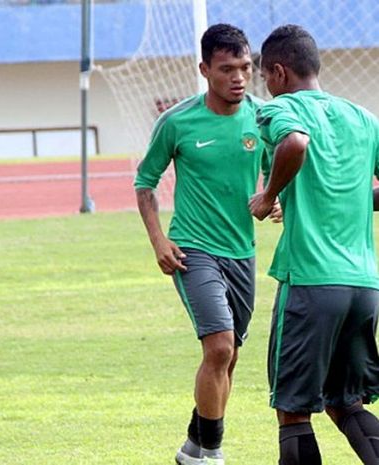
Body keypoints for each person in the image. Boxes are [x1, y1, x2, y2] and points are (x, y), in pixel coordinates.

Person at [135, 24, 279, 465]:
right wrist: (158, 240)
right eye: (226, 68)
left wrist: (278, 201)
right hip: (192, 249)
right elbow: (145, 182)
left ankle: (194, 445)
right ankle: (211, 455)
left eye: (245, 67)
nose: (238, 77)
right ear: (204, 70)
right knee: (218, 347)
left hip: (242, 252)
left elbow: (281, 172)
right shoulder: (177, 121)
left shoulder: (263, 118)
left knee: (229, 358)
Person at [249, 24, 379, 465]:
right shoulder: (363, 118)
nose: (265, 85)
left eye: (265, 76)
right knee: (347, 404)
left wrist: (268, 197)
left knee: (293, 411)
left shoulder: (281, 108)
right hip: (364, 286)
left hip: (310, 281)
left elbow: (295, 142)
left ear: (279, 72)